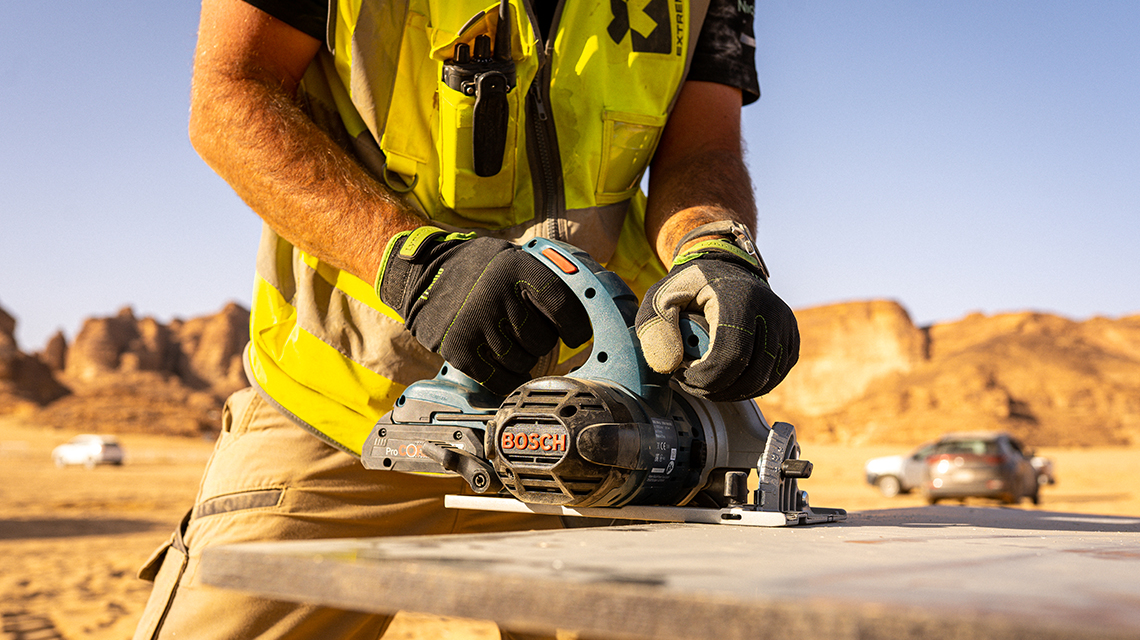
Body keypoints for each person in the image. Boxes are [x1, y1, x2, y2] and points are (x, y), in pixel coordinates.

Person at [133, 0, 799, 638]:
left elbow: (700, 150)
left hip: (596, 432)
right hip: (341, 408)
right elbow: (230, 94)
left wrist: (713, 246)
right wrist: (409, 261)